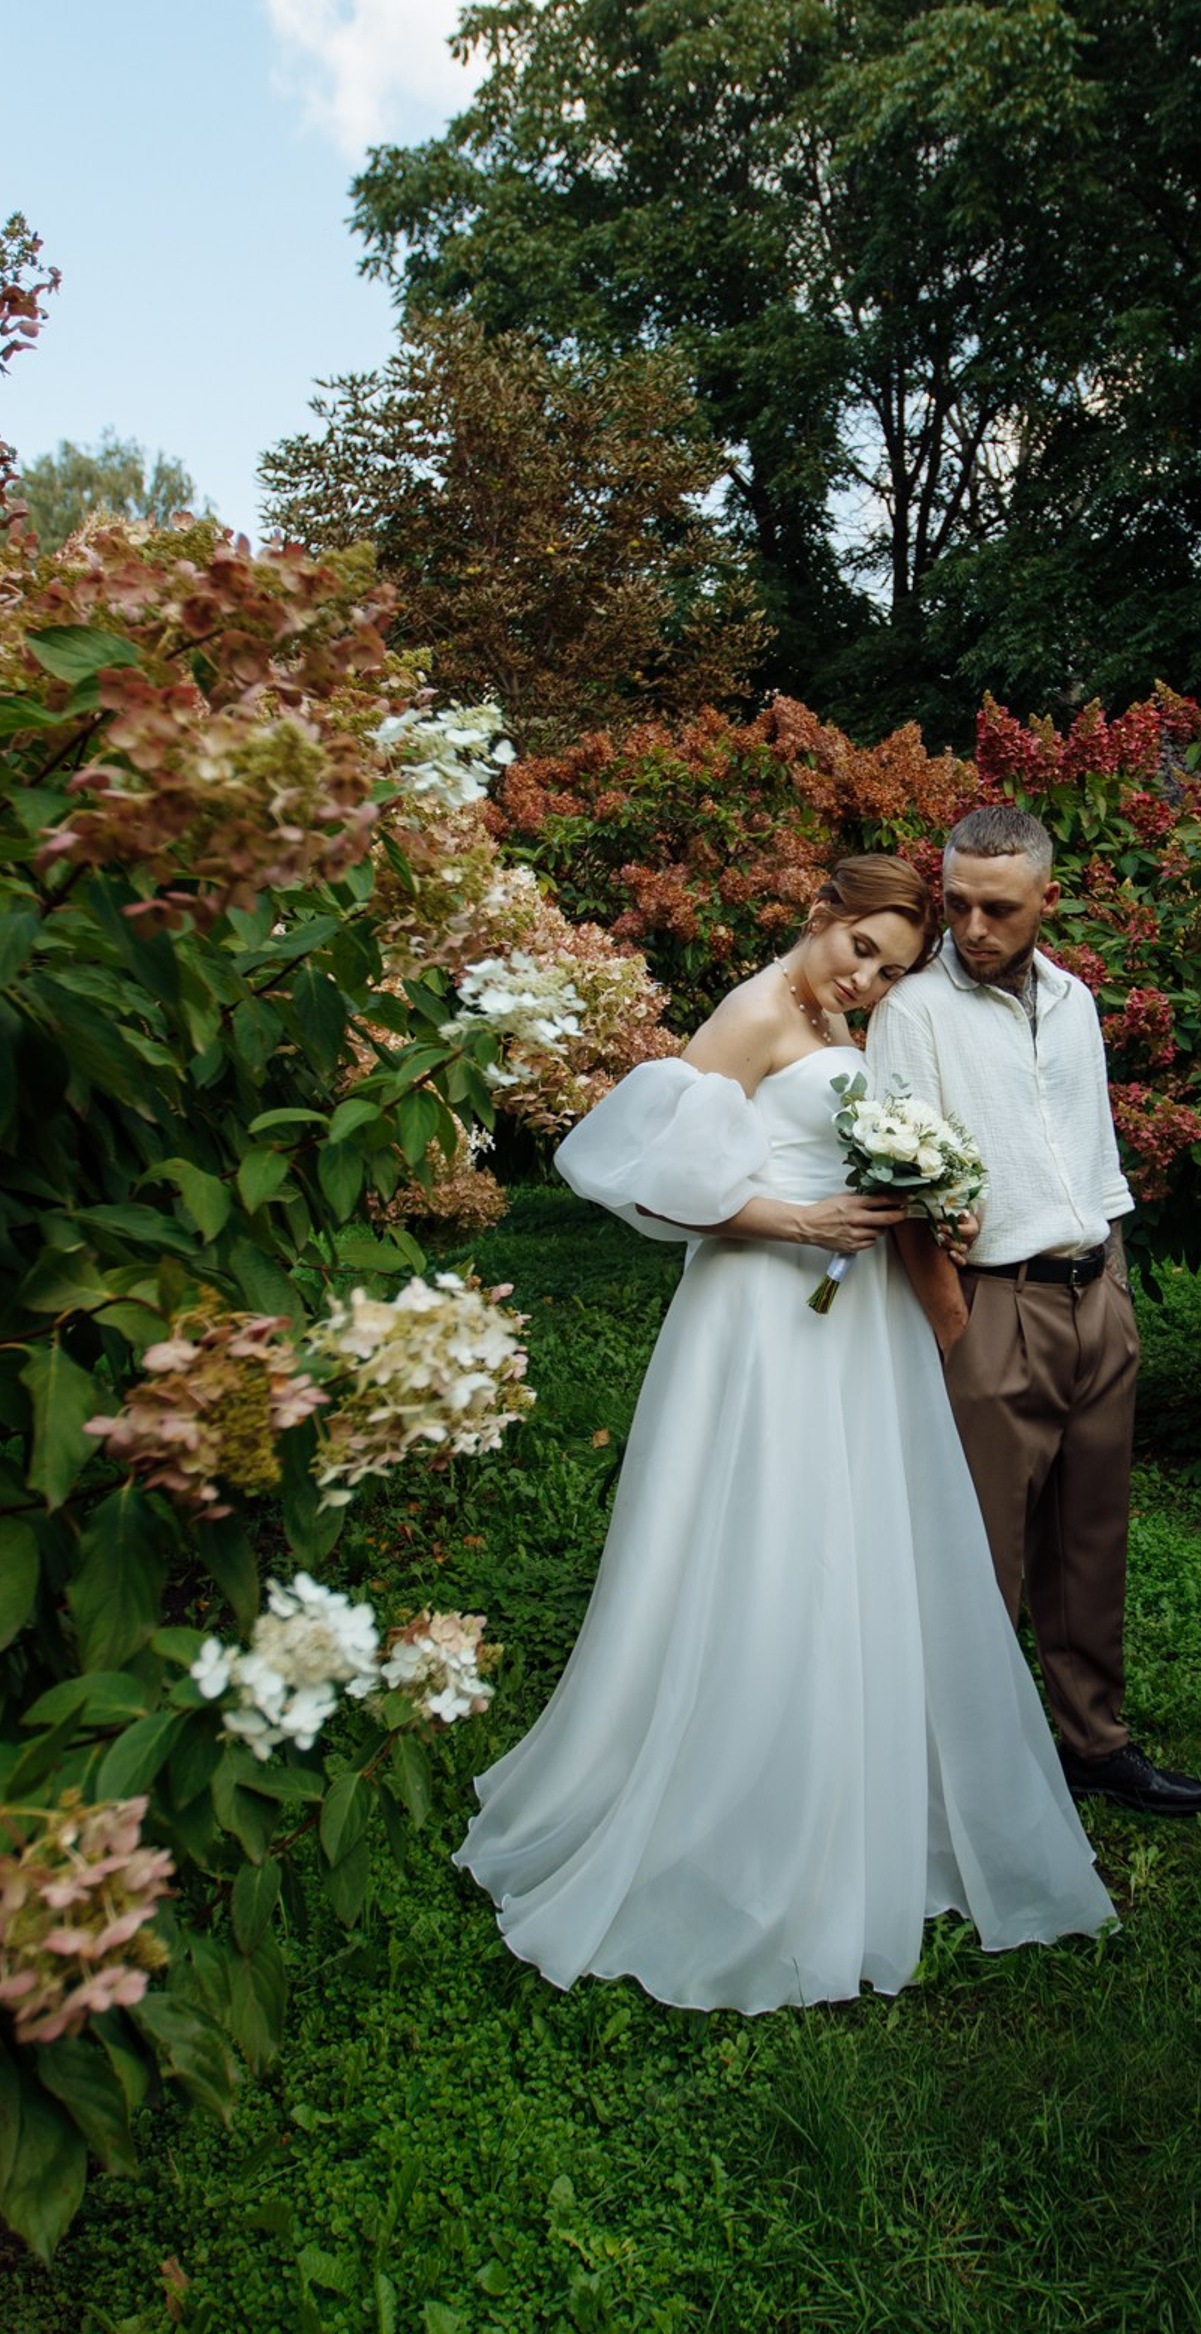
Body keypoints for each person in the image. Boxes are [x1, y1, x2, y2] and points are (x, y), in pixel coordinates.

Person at [455, 854, 1114, 2012]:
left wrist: (925, 1197)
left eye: (890, 971)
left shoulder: (828, 1018)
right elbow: (651, 1180)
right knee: (769, 1534)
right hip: (760, 1316)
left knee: (852, 1534)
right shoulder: (755, 1012)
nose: (866, 982)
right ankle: (743, 1798)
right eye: (860, 951)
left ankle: (855, 1776)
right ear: (819, 915)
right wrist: (799, 1220)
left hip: (851, 1318)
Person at [865, 805, 1201, 1818]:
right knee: (981, 1558)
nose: (974, 928)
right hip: (991, 1306)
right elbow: (900, 1185)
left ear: (1047, 900)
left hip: (1095, 1295)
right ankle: (962, 1778)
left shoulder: (1074, 1001)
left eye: (1000, 908)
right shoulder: (914, 1014)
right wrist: (954, 1331)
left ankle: (1094, 1743)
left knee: (1090, 1538)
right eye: (958, 905)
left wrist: (1116, 1287)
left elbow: (1089, 1148)